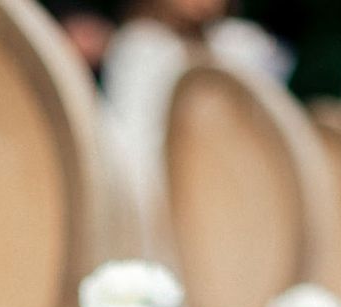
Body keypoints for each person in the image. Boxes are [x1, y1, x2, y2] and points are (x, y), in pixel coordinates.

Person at [97, 0, 291, 249]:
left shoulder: (245, 45)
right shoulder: (141, 46)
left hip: (237, 198)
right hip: (163, 207)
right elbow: (133, 144)